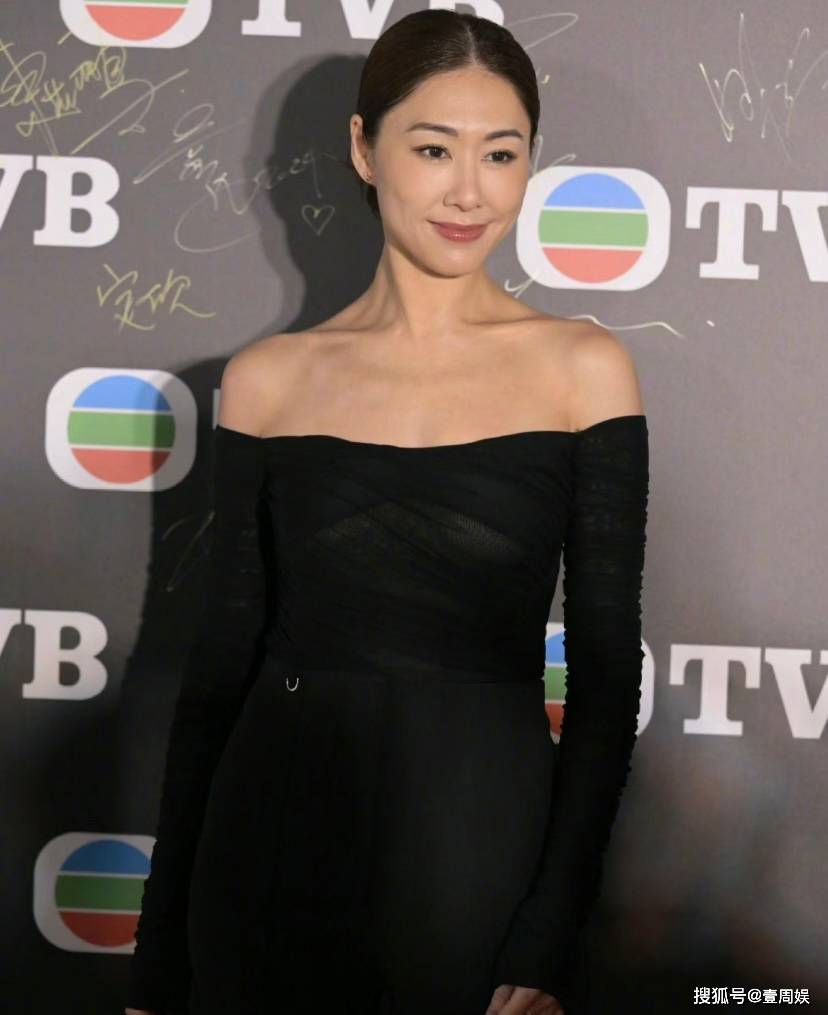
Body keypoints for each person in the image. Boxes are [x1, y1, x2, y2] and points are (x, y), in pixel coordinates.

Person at [125, 9, 649, 1015]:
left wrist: (551, 929)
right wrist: (157, 961)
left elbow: (606, 678)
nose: (469, 191)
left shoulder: (583, 369)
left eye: (501, 153)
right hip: (267, 856)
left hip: (480, 862)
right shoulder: (269, 379)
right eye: (434, 149)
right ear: (365, 150)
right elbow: (217, 676)